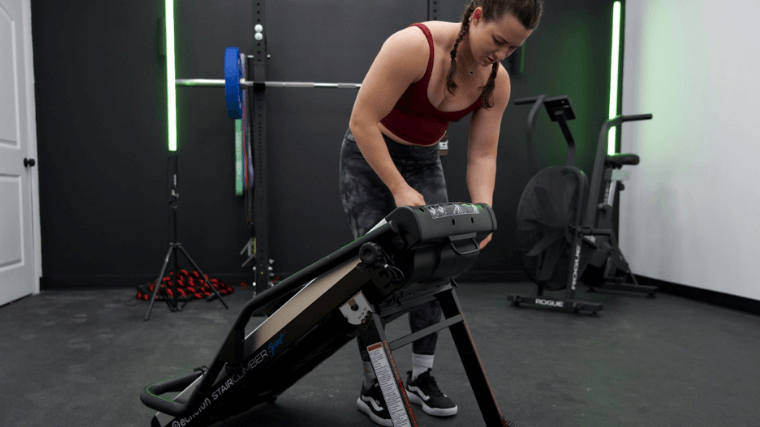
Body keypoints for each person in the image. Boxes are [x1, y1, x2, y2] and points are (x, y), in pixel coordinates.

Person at [339, 0, 542, 425]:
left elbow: (483, 153)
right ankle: (373, 384)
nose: (501, 55)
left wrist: (482, 208)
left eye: (513, 48)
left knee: (437, 268)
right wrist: (397, 188)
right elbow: (362, 121)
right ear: (477, 14)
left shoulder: (495, 81)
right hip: (369, 158)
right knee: (378, 274)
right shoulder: (414, 46)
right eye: (498, 41)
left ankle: (421, 377)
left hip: (424, 161)